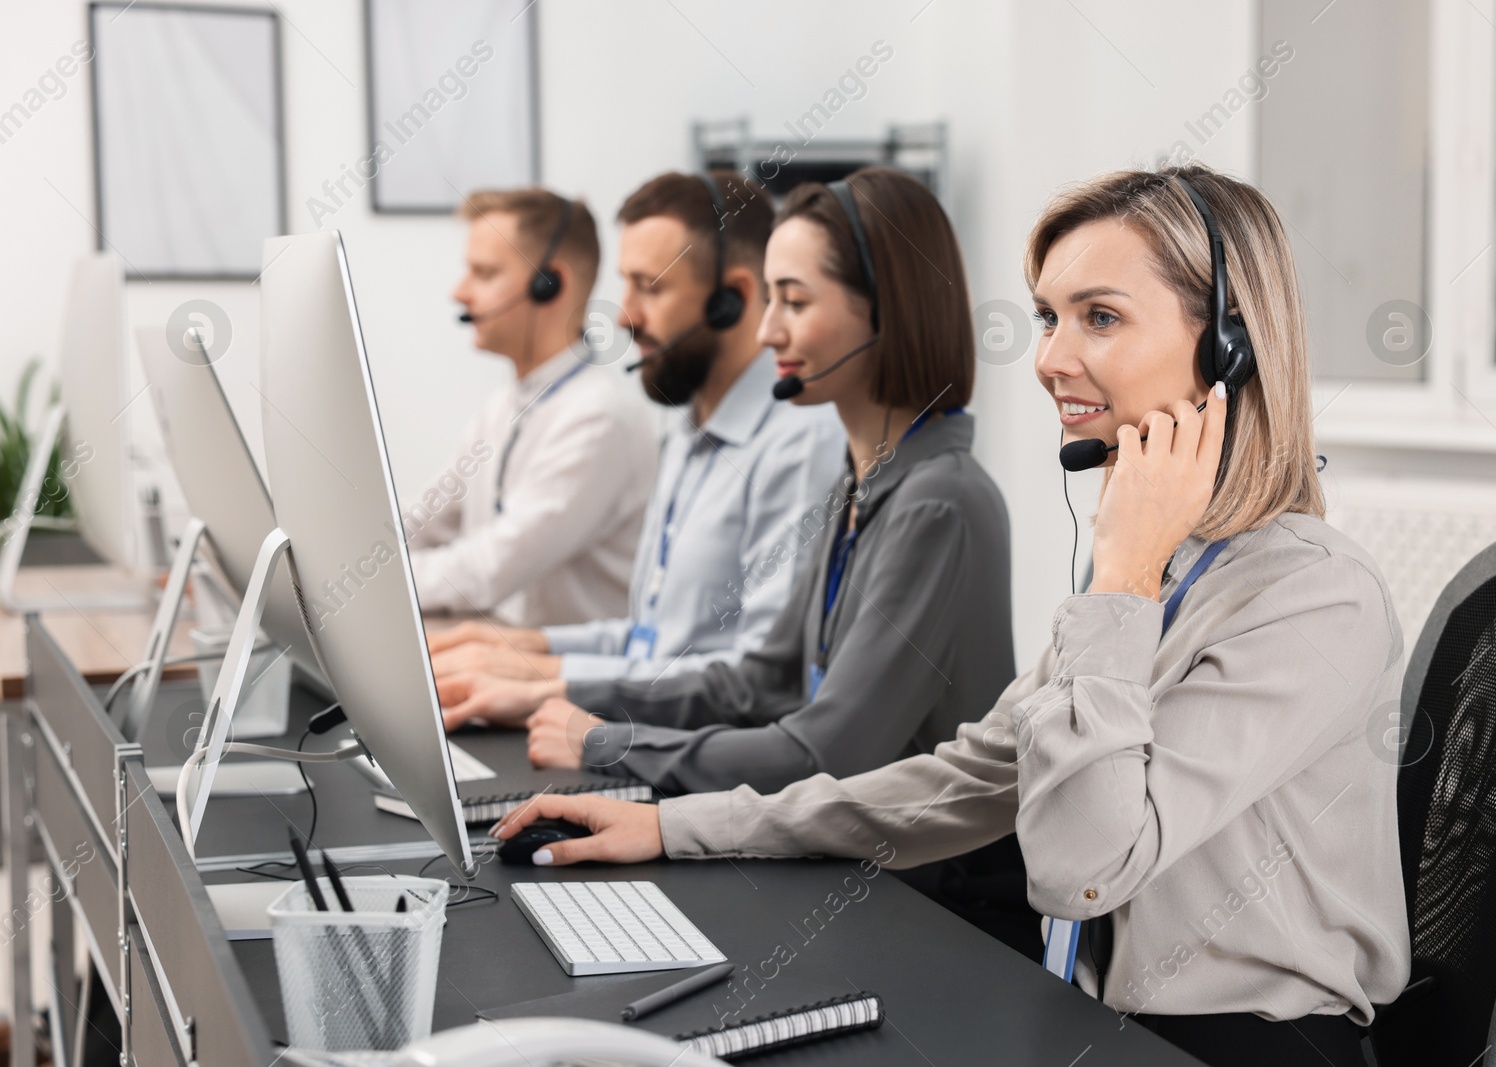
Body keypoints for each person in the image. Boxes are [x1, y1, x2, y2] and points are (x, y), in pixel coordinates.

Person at [486, 166, 1410, 1067]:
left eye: (1100, 316)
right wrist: (681, 827)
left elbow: (1080, 865)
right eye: (1049, 317)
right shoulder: (1157, 569)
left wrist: (1120, 579)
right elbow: (977, 774)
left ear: (1230, 350)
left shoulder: (1312, 595)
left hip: (1231, 1042)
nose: (1049, 357)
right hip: (1093, 1013)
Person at [443, 167, 1014, 798]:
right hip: (830, 838)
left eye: (793, 302)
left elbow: (825, 749)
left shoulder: (935, 505)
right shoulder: (860, 485)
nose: (768, 331)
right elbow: (763, 682)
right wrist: (551, 686)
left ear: (888, 316)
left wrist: (607, 741)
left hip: (911, 886)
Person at [427, 171, 843, 699]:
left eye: (650, 287)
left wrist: (547, 686)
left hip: (695, 767)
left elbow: (762, 681)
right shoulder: (690, 433)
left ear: (731, 299)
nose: (623, 315)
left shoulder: (798, 446)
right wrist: (521, 651)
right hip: (651, 735)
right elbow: (650, 643)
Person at [406, 188, 657, 627]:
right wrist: (348, 555)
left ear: (549, 285)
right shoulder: (506, 405)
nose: (460, 292)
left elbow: (488, 571)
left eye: (483, 273)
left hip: (567, 686)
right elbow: (430, 519)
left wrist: (364, 582)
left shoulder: (599, 418)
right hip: (500, 657)